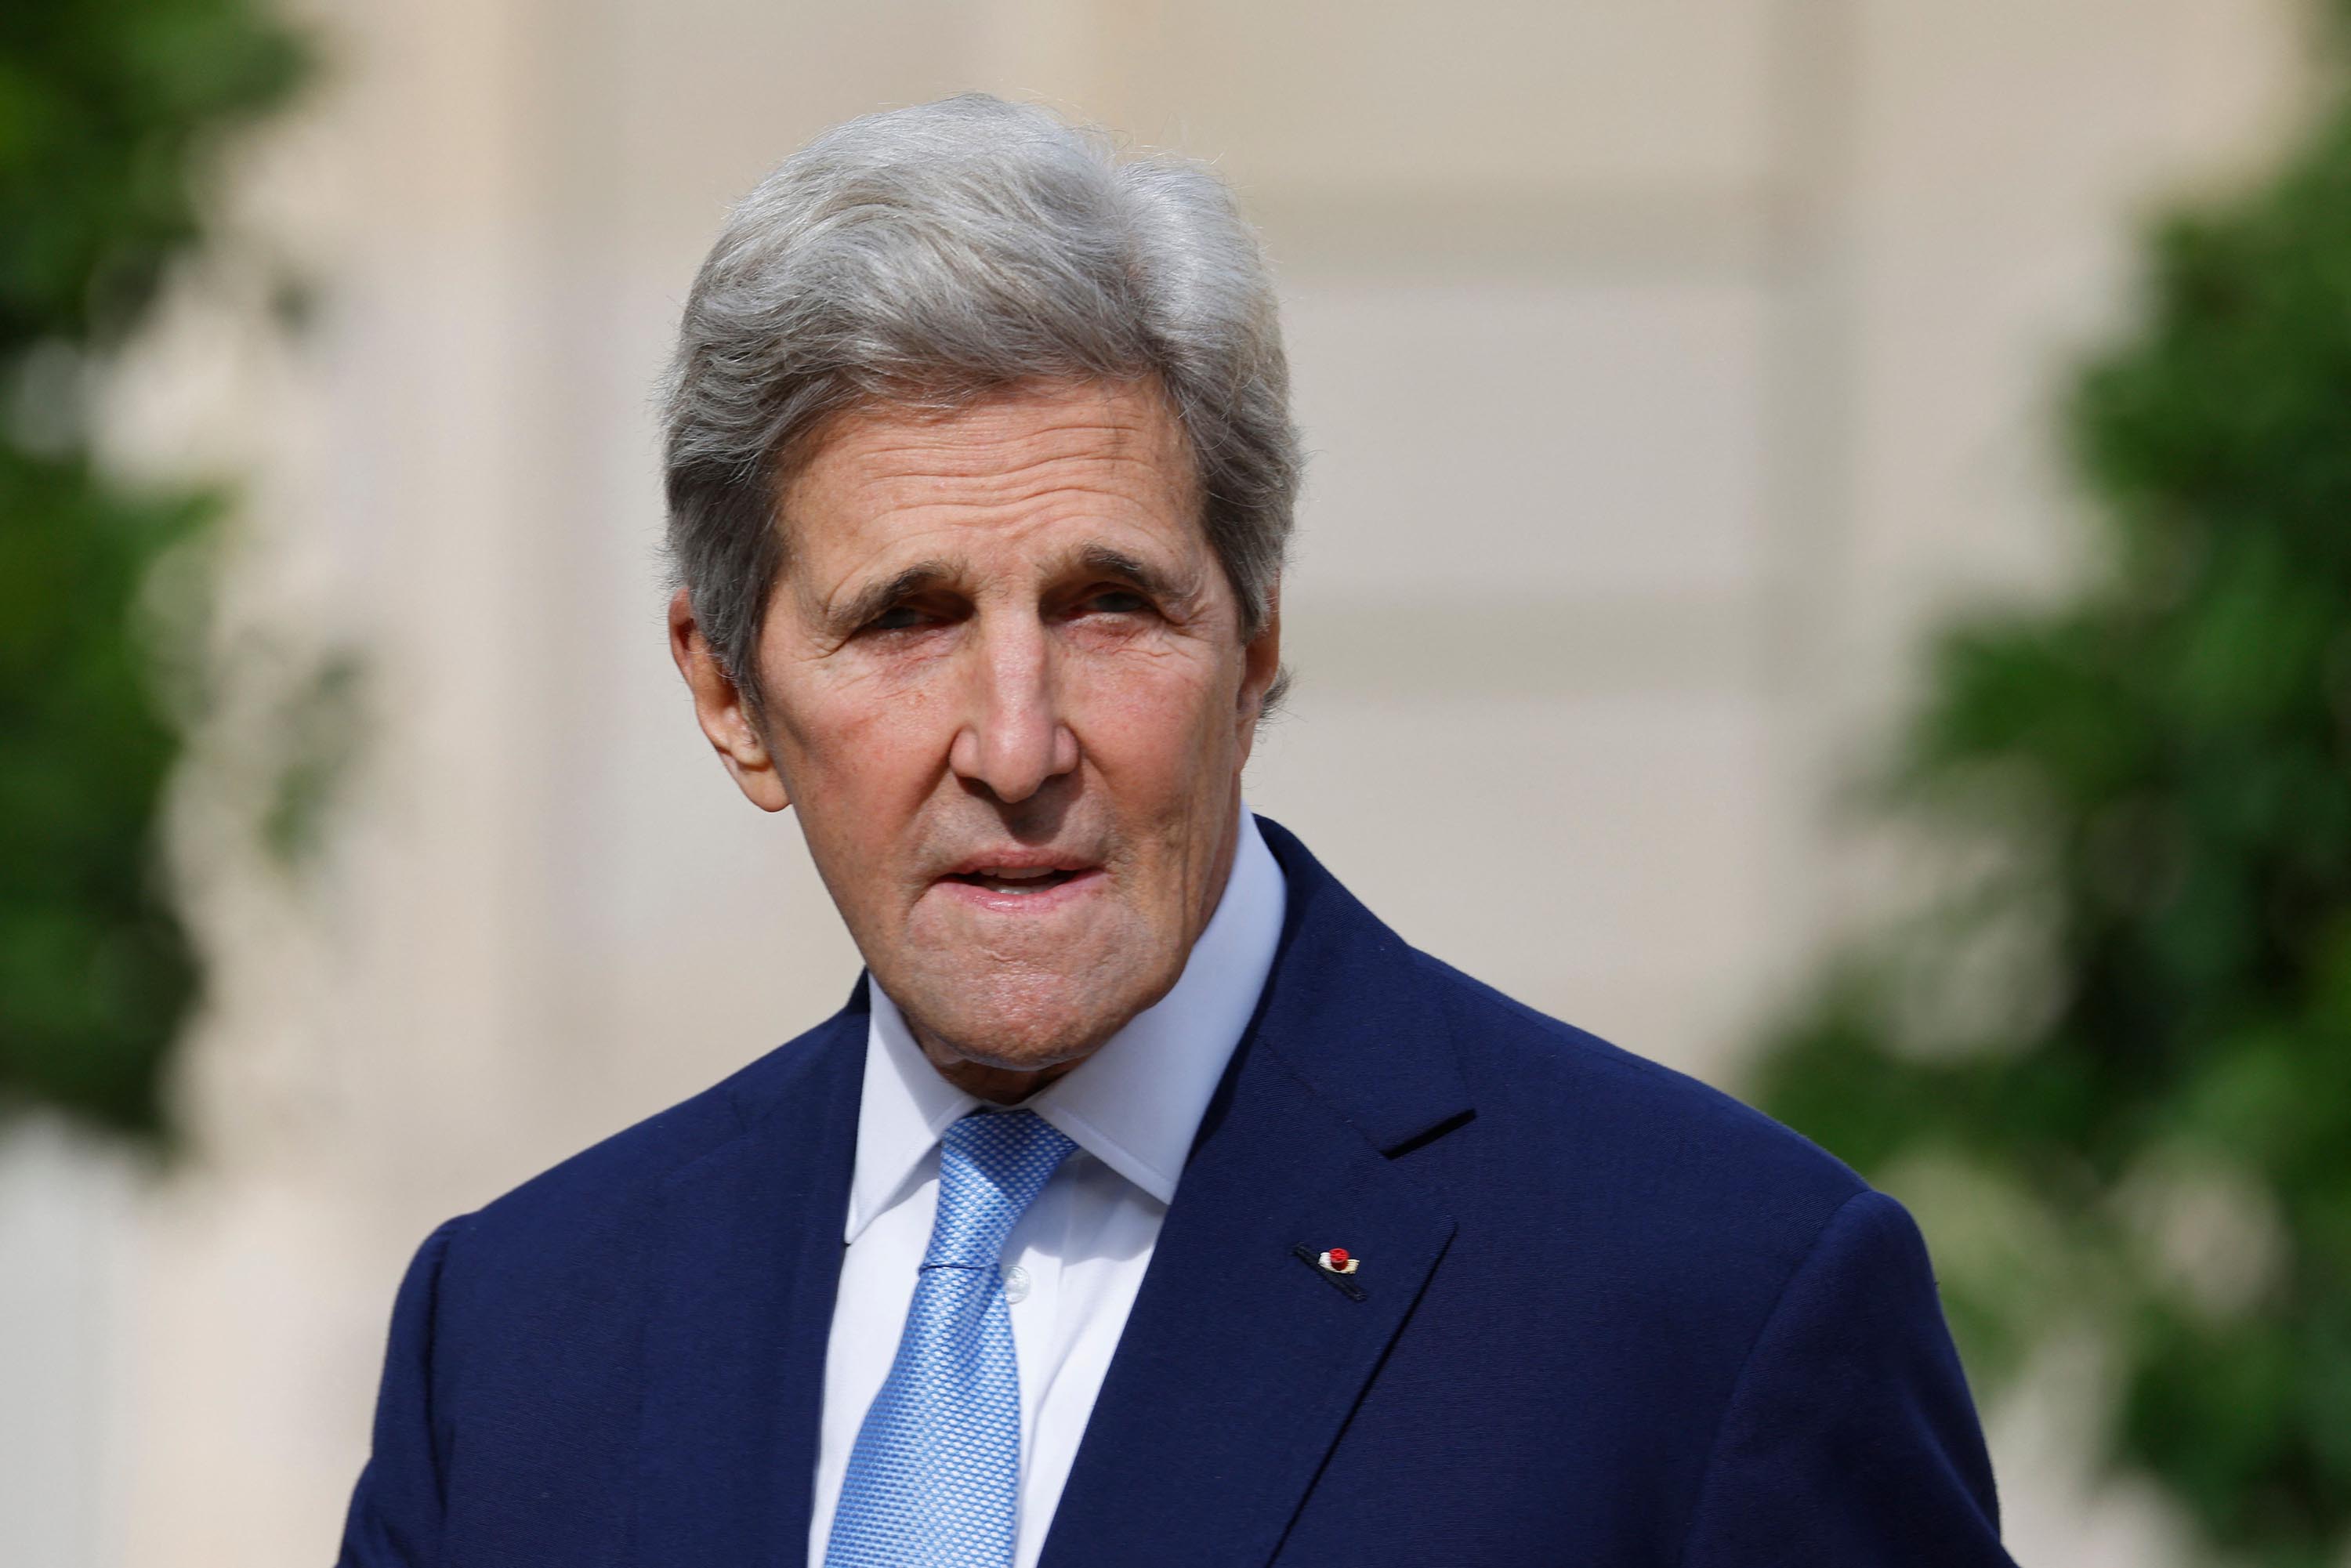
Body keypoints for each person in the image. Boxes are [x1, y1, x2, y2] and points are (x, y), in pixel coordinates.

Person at [338, 93, 2016, 1568]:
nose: (1016, 741)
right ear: (729, 695)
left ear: (1258, 639)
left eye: (1110, 604)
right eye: (909, 620)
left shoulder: (1709, 1303)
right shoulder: (515, 1342)